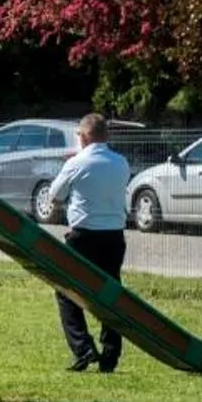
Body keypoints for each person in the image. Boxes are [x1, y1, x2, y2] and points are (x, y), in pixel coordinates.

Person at [46, 112, 130, 372]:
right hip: (115, 237)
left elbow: (55, 195)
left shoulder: (77, 162)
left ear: (82, 136)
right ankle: (111, 353)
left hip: (84, 237)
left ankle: (83, 348)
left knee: (66, 291)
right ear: (106, 135)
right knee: (110, 293)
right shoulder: (121, 162)